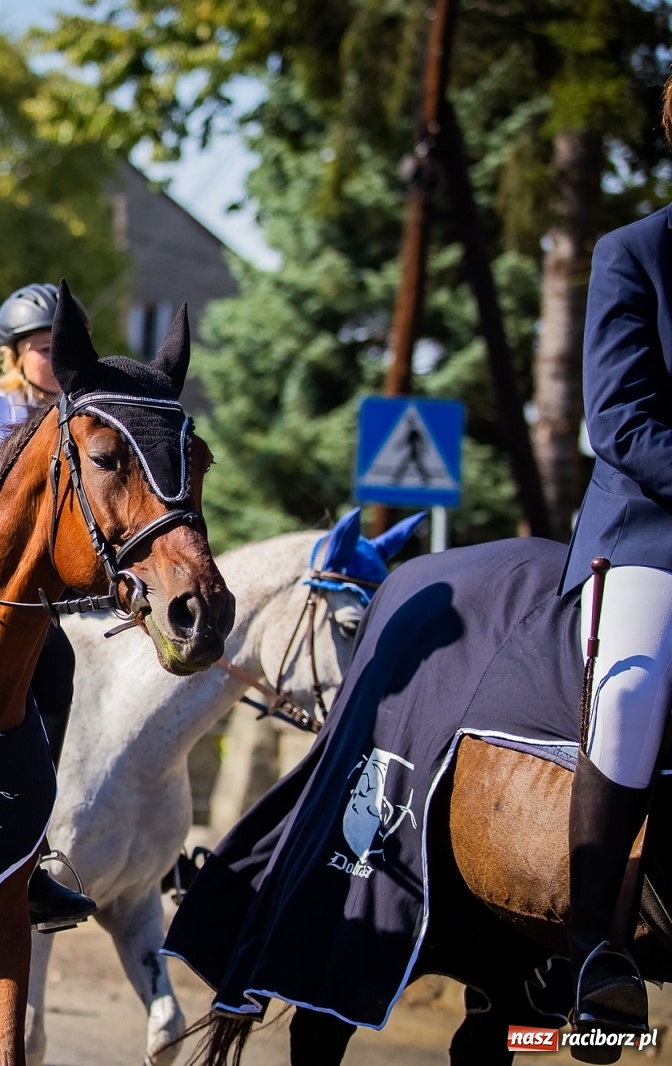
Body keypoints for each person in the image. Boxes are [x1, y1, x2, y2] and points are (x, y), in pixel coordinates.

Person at [559, 75, 672, 1056]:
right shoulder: (632, 253)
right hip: (649, 529)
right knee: (634, 682)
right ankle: (594, 943)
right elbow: (621, 419)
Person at [0, 283, 98, 930]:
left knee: (64, 657)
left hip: (49, 588)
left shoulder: (89, 416)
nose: (56, 361)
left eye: (63, 350)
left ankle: (28, 852)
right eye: (45, 349)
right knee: (51, 653)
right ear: (14, 355)